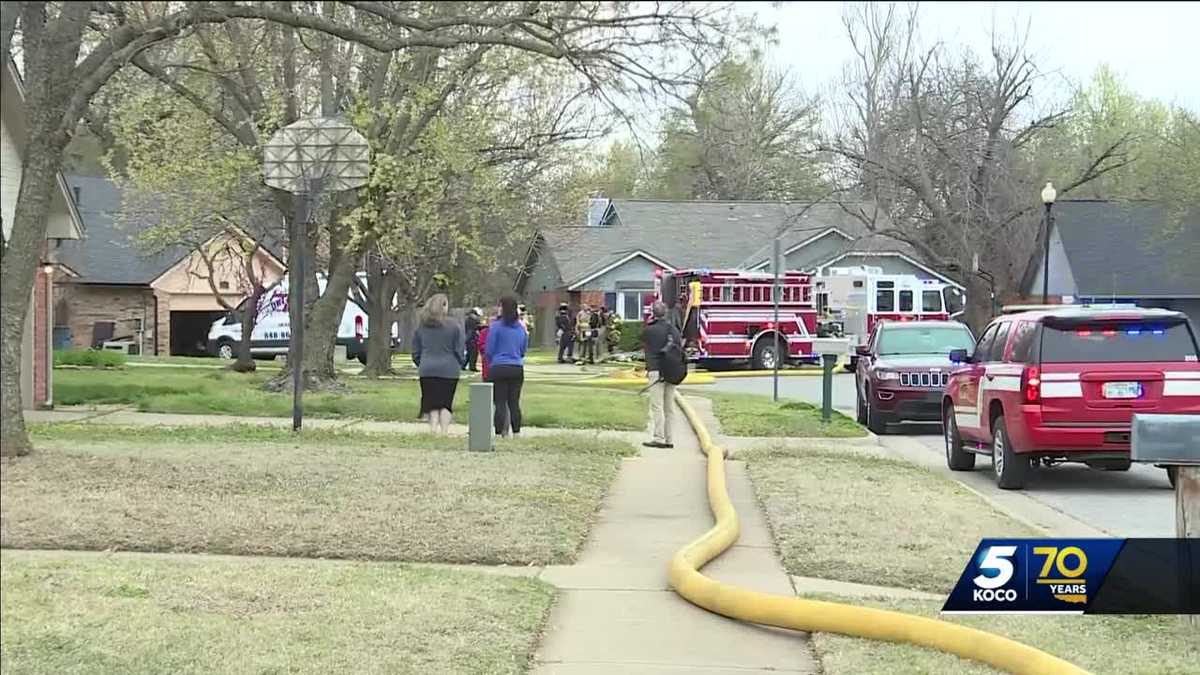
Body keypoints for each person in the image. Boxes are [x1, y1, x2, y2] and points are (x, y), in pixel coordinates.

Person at [411, 293, 466, 434]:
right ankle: (444, 431)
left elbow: (416, 352)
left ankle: (433, 429)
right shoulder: (454, 325)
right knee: (446, 403)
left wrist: (422, 363)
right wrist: (459, 362)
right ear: (443, 306)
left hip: (427, 368)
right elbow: (459, 349)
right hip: (449, 369)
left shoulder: (421, 327)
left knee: (432, 402)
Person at [642, 301, 683, 449]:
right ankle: (669, 439)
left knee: (657, 406)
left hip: (655, 371)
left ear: (653, 313)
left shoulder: (649, 330)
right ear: (666, 313)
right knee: (669, 407)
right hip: (671, 372)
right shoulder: (673, 330)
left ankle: (658, 438)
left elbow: (644, 342)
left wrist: (649, 322)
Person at [486, 296, 528, 437]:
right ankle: (516, 432)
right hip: (516, 366)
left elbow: (489, 350)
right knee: (514, 402)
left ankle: (499, 433)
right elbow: (523, 350)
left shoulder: (496, 327)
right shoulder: (521, 328)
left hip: (499, 366)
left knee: (500, 402)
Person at [464, 307, 482, 372]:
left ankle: (463, 365)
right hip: (472, 338)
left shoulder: (468, 319)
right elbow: (476, 327)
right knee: (473, 353)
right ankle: (472, 367)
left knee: (469, 353)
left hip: (469, 338)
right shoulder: (471, 320)